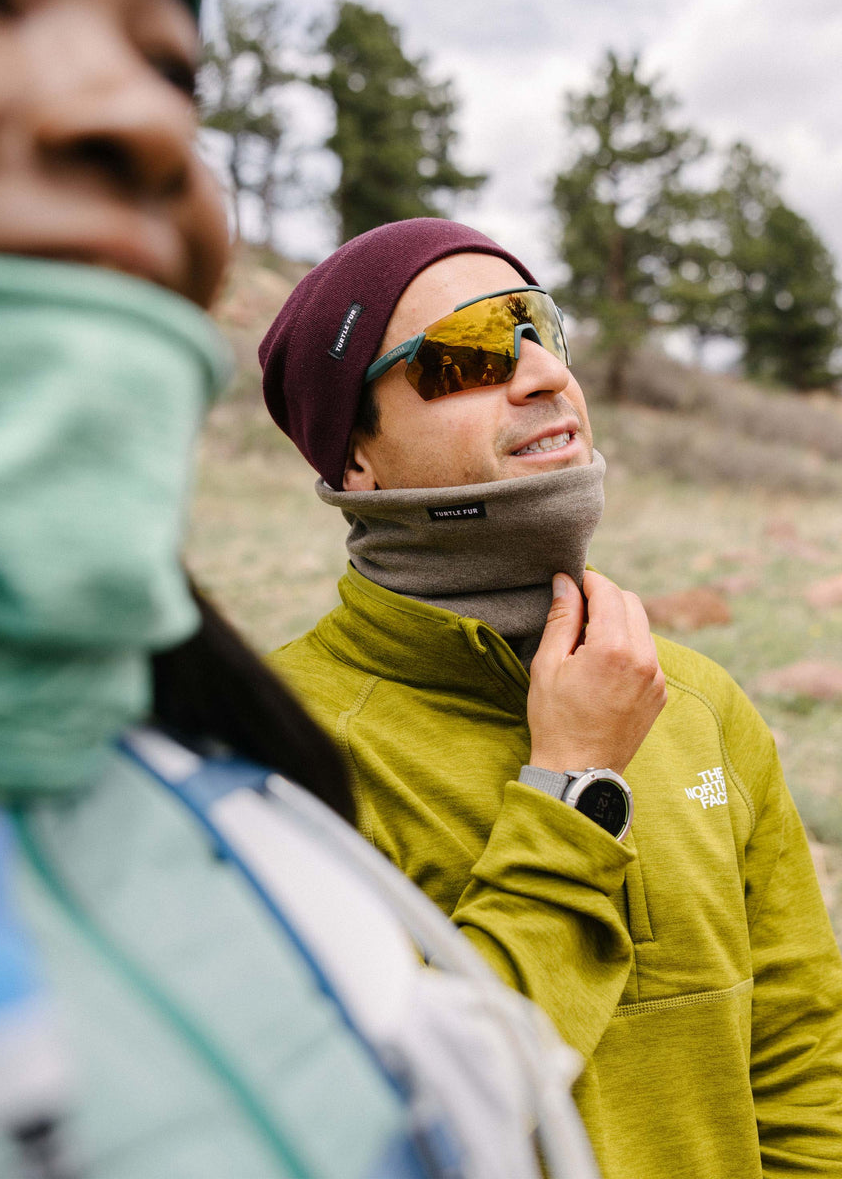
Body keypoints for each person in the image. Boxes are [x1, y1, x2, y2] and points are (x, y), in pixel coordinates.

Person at [0, 0, 606, 1179]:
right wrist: (580, 806)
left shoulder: (248, 803)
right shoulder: (319, 747)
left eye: (173, 66)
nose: (148, 122)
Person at [259, 216, 842, 1179]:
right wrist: (574, 787)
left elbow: (800, 1066)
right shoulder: (284, 746)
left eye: (539, 327)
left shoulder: (698, 704)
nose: (541, 374)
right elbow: (375, 1123)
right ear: (354, 457)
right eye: (468, 355)